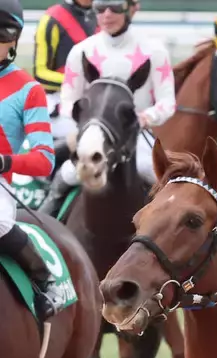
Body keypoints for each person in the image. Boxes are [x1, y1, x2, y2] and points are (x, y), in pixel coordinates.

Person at [41, 0, 175, 216]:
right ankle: (43, 225)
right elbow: (68, 100)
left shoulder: (155, 51)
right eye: (100, 8)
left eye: (115, 7)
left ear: (132, 8)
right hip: (92, 134)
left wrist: (143, 118)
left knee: (154, 174)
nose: (107, 14)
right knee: (66, 175)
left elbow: (167, 103)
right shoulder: (81, 51)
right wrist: (87, 122)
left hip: (135, 135)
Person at [0, 0, 64, 318]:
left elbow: (44, 159)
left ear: (13, 40)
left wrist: (6, 162)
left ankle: (44, 281)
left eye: (1, 34)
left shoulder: (29, 89)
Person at [34, 0, 97, 142]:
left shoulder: (104, 15)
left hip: (96, 102)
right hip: (59, 104)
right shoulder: (52, 19)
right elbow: (40, 74)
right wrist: (80, 82)